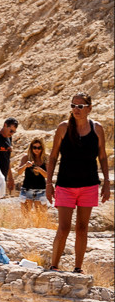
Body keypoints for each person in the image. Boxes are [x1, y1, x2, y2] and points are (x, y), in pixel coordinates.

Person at [45, 93, 110, 273]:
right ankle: (54, 266)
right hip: (65, 185)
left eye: (80, 106)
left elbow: (103, 156)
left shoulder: (97, 129)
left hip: (89, 185)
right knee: (64, 228)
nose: (76, 109)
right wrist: (49, 184)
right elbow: (52, 157)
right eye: (73, 105)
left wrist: (106, 183)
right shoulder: (63, 128)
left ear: (89, 108)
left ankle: (78, 268)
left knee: (82, 228)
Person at [16, 137, 49, 212]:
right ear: (31, 148)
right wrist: (25, 166)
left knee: (41, 216)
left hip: (41, 190)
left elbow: (47, 175)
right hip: (27, 189)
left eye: (39, 148)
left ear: (42, 148)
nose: (36, 150)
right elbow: (19, 172)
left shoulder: (45, 159)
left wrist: (40, 170)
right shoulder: (26, 158)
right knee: (25, 215)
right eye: (34, 147)